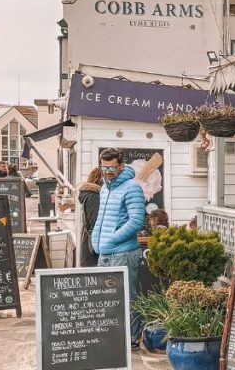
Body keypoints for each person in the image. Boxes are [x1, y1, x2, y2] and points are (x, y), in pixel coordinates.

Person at [92, 148, 146, 348]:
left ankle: (131, 339)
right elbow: (102, 218)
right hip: (105, 251)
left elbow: (136, 221)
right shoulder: (105, 187)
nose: (107, 171)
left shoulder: (132, 187)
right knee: (106, 298)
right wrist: (95, 240)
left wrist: (112, 239)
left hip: (123, 252)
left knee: (126, 297)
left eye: (112, 167)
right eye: (104, 167)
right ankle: (113, 339)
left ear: (121, 165)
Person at [78, 167, 103, 266]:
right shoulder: (94, 196)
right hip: (92, 247)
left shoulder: (89, 195)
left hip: (88, 244)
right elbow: (95, 223)